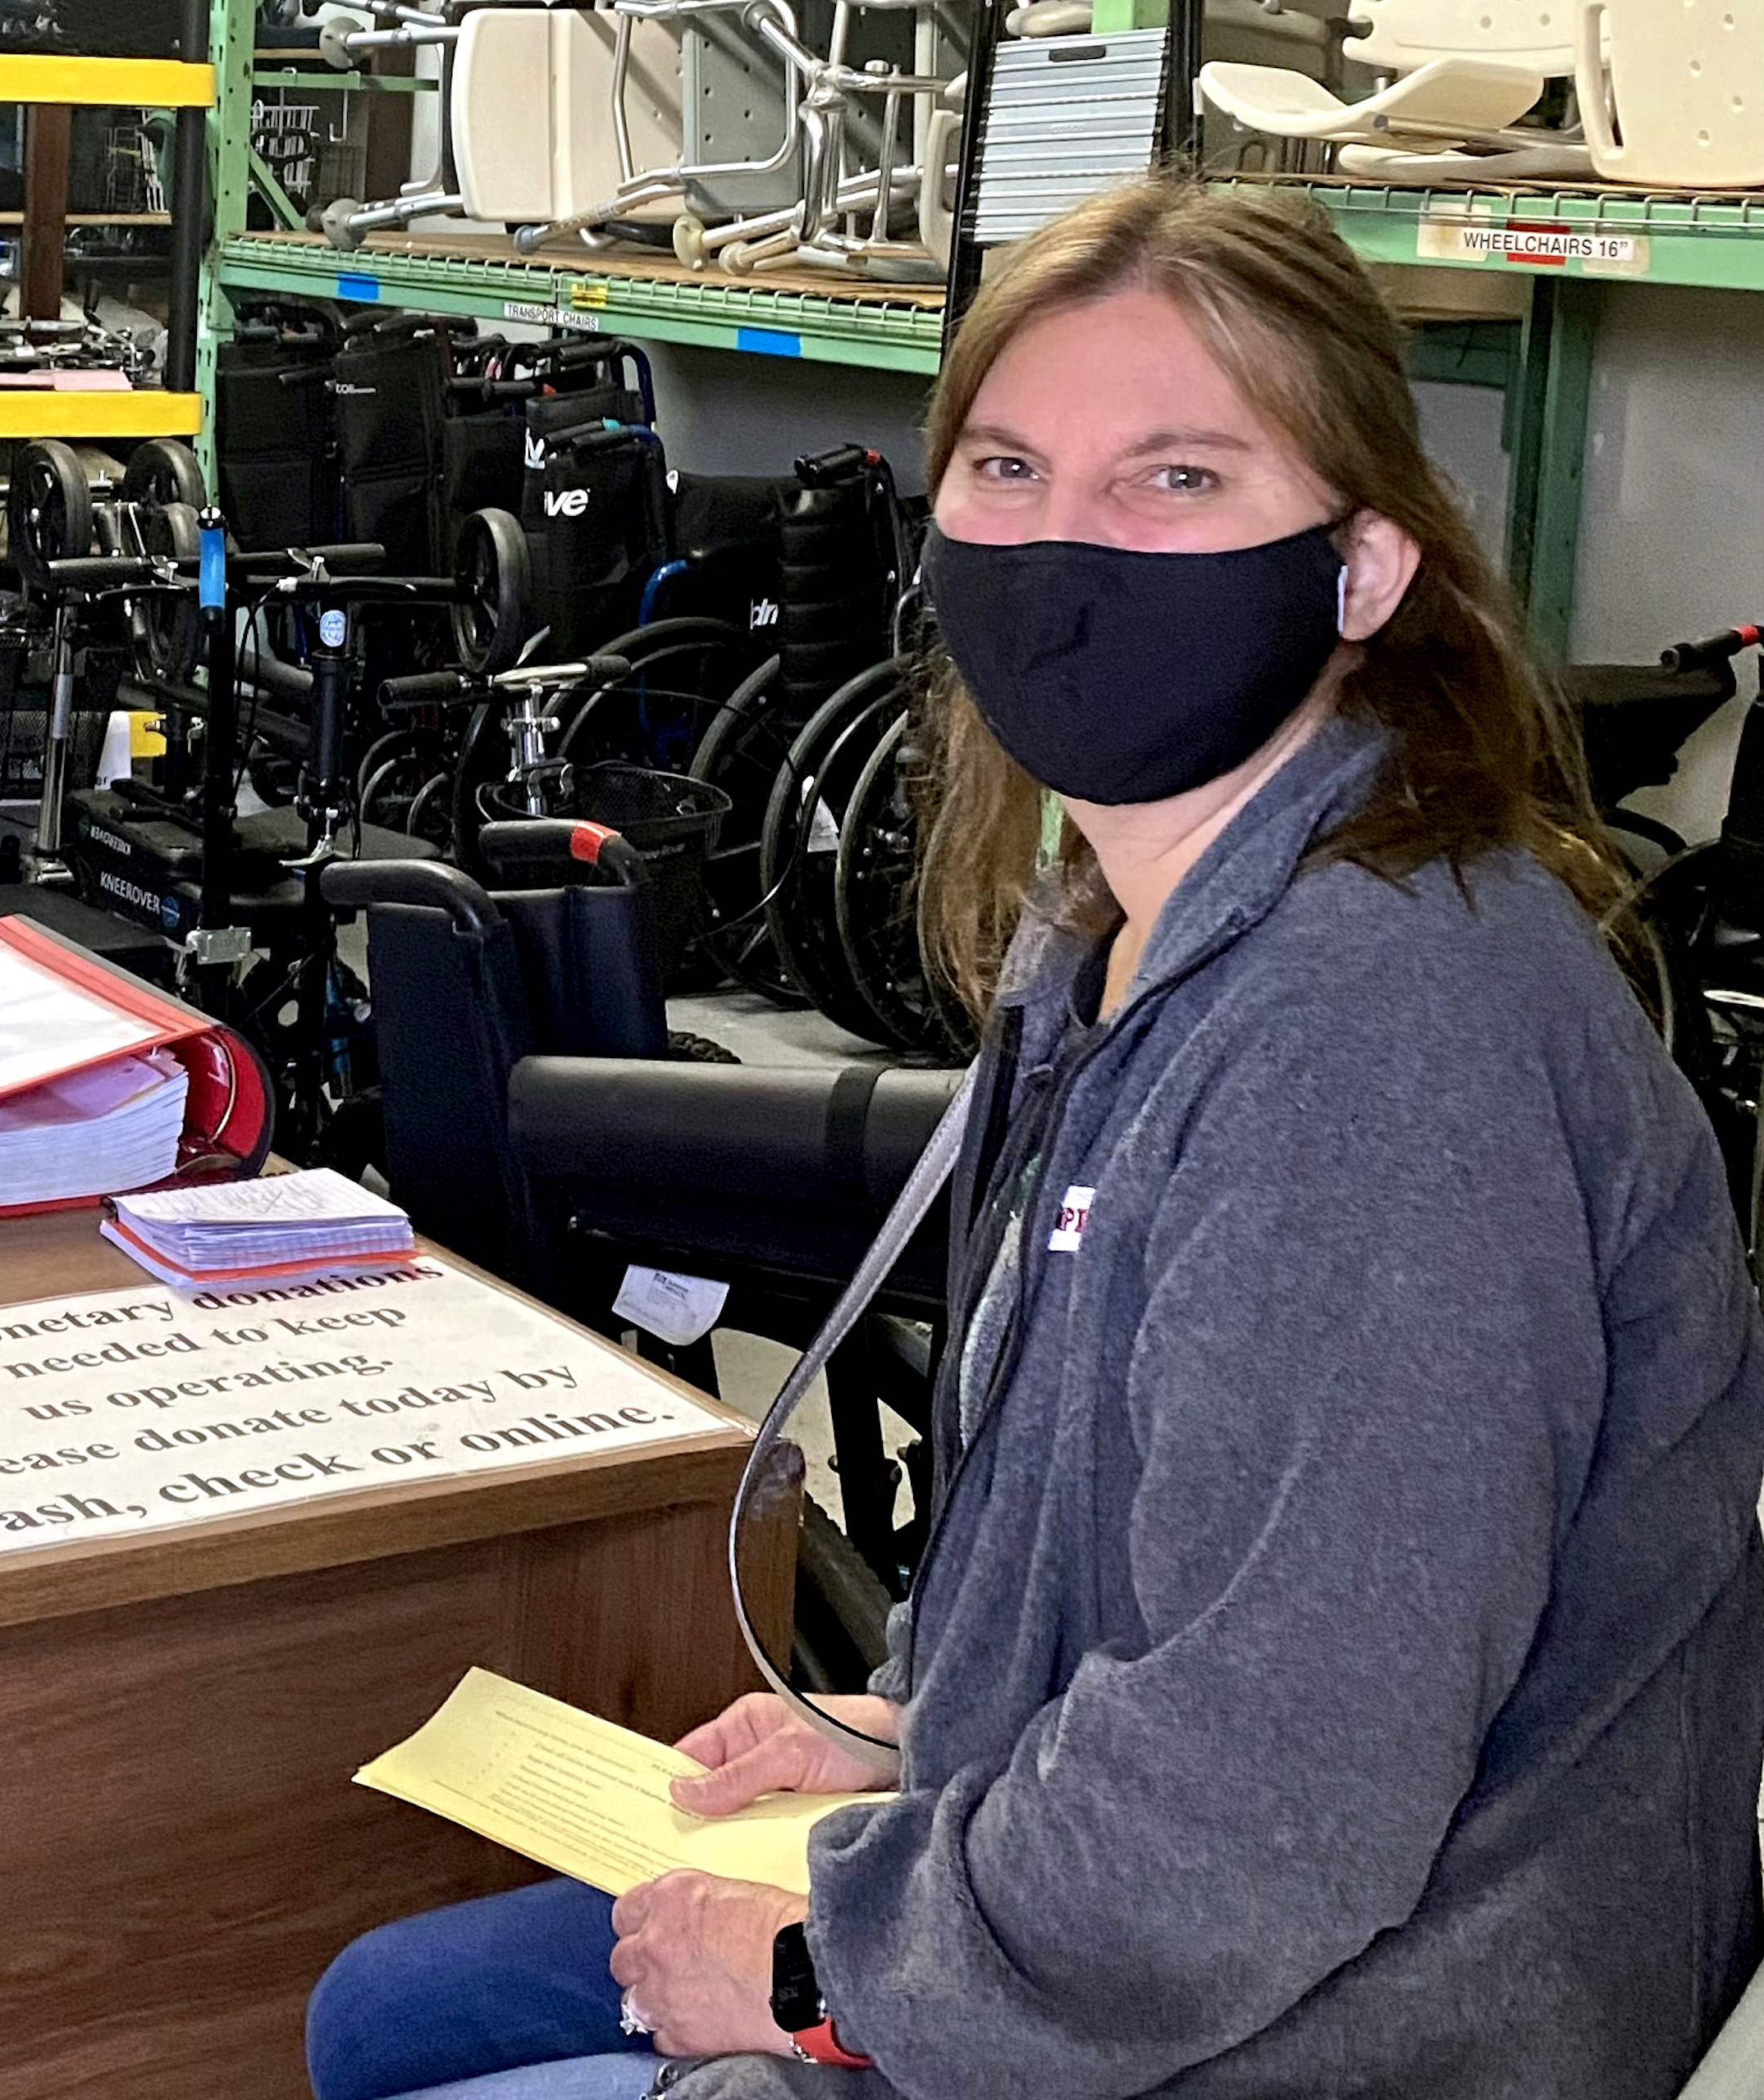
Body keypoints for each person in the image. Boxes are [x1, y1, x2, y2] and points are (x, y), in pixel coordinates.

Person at [307, 176, 1764, 2100]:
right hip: (1185, 1905)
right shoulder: (1121, 928)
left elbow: (1279, 1795)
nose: (1065, 548)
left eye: (1176, 481)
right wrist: (921, 1726)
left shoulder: (1374, 1042)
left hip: (1364, 2012)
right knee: (386, 2010)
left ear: (1360, 570)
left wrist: (828, 1967)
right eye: (1006, 467)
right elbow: (1171, 1557)